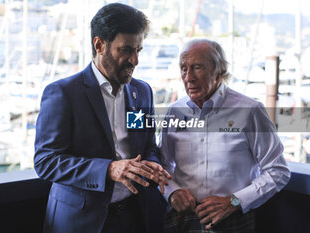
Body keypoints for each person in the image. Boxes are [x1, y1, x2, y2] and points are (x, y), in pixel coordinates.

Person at [34, 3, 171, 233]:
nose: (135, 60)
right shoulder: (63, 93)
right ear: (99, 45)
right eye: (126, 50)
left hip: (136, 215)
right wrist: (108, 169)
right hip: (81, 221)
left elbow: (148, 146)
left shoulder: (142, 91)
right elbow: (46, 161)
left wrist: (151, 165)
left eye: (139, 50)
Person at [160, 39, 291, 233]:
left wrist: (234, 202)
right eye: (183, 68)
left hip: (233, 219)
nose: (189, 77)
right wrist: (172, 192)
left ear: (219, 71)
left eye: (197, 67)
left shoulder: (250, 111)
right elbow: (163, 165)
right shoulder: (175, 111)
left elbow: (278, 171)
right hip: (182, 219)